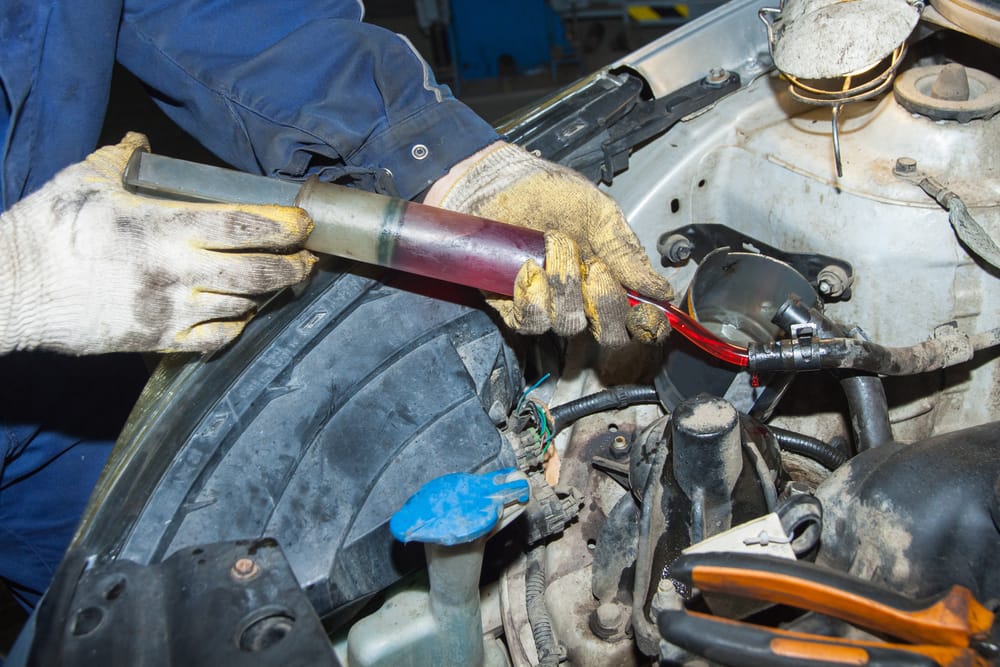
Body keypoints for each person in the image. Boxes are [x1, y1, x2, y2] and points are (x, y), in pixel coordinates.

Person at [0, 1, 672, 611]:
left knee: (142, 617)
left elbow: (228, 15)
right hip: (54, 291)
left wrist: (450, 162)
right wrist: (20, 279)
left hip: (54, 400)